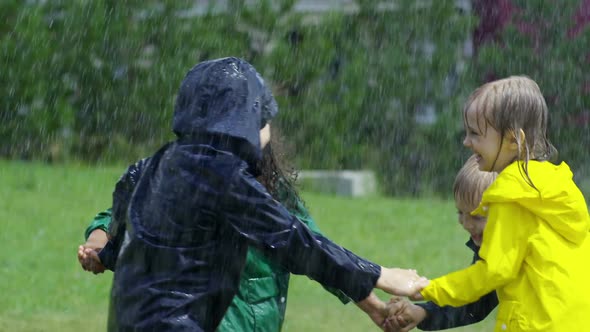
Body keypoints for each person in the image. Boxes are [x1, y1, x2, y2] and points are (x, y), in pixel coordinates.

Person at [81, 57, 425, 331]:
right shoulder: (225, 178)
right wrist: (382, 275)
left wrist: (104, 255)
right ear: (242, 121)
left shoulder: (151, 166)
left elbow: (121, 246)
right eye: (261, 118)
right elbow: (297, 242)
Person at [78, 126, 386, 331]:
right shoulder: (180, 184)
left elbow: (318, 252)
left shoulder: (276, 195)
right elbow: (116, 217)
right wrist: (98, 243)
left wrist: (374, 306)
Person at [412, 76, 590, 331]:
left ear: (512, 140)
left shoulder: (512, 195)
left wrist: (430, 289)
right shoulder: (551, 187)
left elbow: (493, 272)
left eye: (475, 133)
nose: (466, 142)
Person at [383, 155, 498, 331]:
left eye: (477, 216)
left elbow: (474, 288)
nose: (466, 224)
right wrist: (423, 312)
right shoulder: (492, 245)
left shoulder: (521, 248)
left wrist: (425, 289)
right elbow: (475, 300)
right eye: (460, 213)